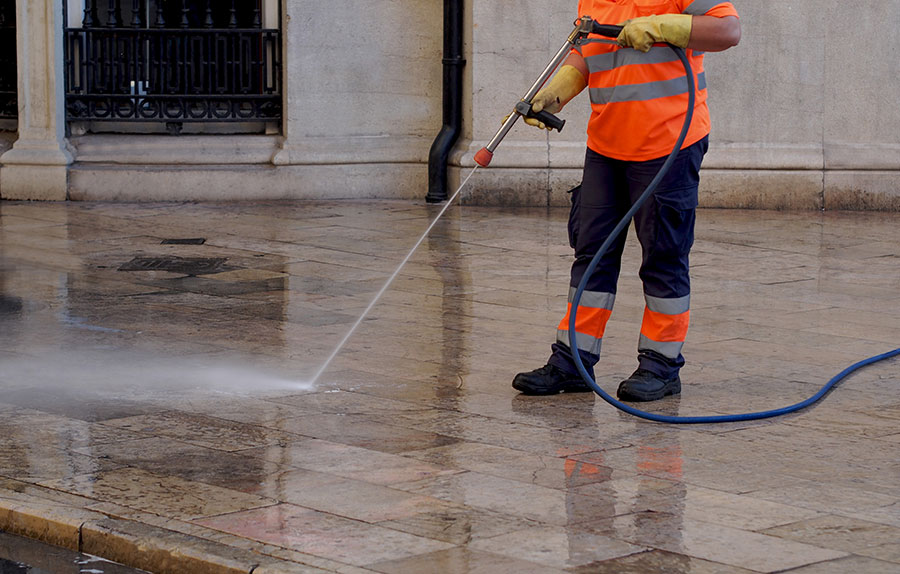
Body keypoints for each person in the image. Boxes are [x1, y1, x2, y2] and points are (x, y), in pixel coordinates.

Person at [512, 0, 740, 401]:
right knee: (591, 251)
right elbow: (587, 50)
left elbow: (727, 31)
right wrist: (558, 91)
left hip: (669, 144)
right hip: (606, 145)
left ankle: (661, 365)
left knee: (663, 255)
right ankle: (573, 362)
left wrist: (664, 25)